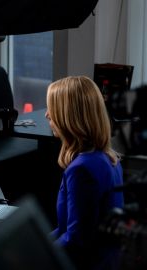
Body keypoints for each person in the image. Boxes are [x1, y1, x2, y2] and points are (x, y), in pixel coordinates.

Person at [45, 76, 124, 270]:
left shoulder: (82, 170)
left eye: (52, 109)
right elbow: (68, 230)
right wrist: (39, 242)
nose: (47, 115)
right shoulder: (109, 157)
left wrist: (36, 255)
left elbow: (76, 240)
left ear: (68, 115)